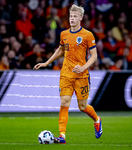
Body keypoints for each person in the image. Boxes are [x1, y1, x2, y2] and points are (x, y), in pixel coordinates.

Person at [33, 4, 103, 144]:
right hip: (66, 74)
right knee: (64, 102)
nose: (72, 18)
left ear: (81, 18)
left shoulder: (87, 35)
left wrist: (83, 67)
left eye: (75, 16)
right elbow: (60, 50)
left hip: (82, 76)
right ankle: (62, 136)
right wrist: (47, 62)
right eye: (71, 16)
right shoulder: (64, 34)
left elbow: (94, 56)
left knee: (82, 107)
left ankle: (97, 119)